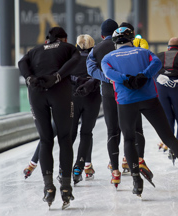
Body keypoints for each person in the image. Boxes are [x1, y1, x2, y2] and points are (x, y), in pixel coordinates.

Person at [101, 27, 178, 197]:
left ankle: (136, 180)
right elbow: (157, 63)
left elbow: (109, 73)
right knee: (168, 137)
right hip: (149, 99)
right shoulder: (144, 52)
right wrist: (143, 75)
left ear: (115, 43)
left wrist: (126, 79)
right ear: (131, 40)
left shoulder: (107, 57)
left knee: (129, 139)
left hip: (126, 101)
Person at [18, 27, 80, 209]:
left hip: (36, 92)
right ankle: (66, 187)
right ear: (64, 38)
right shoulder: (68, 47)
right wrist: (58, 76)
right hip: (59, 90)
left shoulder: (34, 50)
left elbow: (22, 62)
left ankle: (48, 188)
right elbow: (75, 61)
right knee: (65, 139)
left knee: (45, 140)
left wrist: (29, 78)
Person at [86, 19, 150, 188]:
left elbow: (90, 68)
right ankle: (138, 160)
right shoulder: (132, 46)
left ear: (101, 35)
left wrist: (107, 77)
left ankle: (115, 172)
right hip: (129, 93)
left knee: (112, 131)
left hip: (108, 93)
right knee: (135, 129)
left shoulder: (97, 49)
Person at [155, 37, 178, 164]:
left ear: (168, 47)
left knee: (168, 119)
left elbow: (151, 68)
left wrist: (158, 77)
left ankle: (171, 148)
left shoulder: (159, 55)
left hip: (161, 87)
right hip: (176, 86)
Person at [69, 34, 101, 184]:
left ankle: (64, 168)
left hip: (73, 99)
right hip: (92, 99)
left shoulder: (71, 59)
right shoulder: (96, 59)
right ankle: (79, 168)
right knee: (86, 133)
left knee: (70, 133)